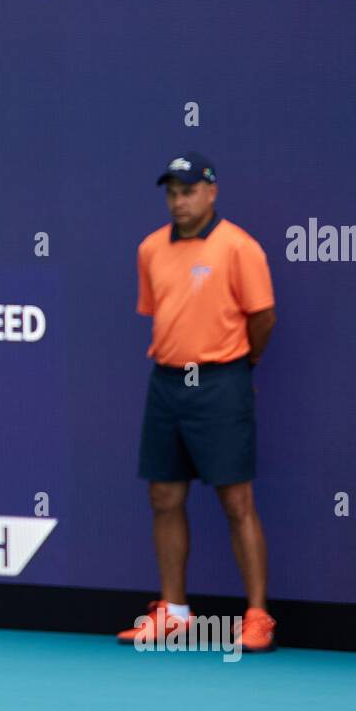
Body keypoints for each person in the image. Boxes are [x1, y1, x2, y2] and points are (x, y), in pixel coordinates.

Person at [119, 152, 278, 653]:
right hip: (166, 383)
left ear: (211, 192)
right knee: (164, 497)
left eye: (187, 190)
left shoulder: (240, 248)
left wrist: (237, 369)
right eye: (171, 192)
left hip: (222, 382)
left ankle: (257, 615)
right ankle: (175, 612)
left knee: (237, 501)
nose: (178, 201)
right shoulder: (150, 249)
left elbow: (263, 318)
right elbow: (159, 313)